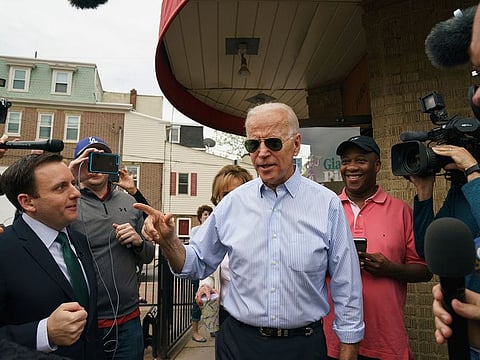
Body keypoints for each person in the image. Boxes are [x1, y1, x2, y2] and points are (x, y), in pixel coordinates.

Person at [135, 102, 365, 360]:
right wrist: (169, 241)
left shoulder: (327, 205)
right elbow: (195, 263)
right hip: (239, 344)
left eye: (273, 143)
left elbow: (347, 284)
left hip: (303, 346)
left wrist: (349, 347)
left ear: (296, 144)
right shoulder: (233, 203)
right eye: (253, 145)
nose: (262, 153)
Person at [323, 135, 432, 360]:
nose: (351, 167)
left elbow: (424, 270)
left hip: (386, 341)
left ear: (377, 166)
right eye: (346, 161)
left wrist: (389, 269)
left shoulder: (401, 211)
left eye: (361, 160)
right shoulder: (326, 209)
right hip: (333, 340)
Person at [0, 153, 102, 359]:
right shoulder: (5, 251)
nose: (76, 193)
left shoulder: (79, 240)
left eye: (73, 184)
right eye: (60, 187)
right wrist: (43, 333)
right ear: (27, 202)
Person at [68, 136, 155, 360]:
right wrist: (68, 178)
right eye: (89, 159)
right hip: (83, 323)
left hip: (129, 321)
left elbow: (149, 255)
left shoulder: (130, 202)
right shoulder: (67, 202)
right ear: (77, 165)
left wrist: (138, 242)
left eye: (102, 158)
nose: (95, 165)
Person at [195, 165, 253, 334]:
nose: (232, 199)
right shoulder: (214, 231)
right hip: (226, 316)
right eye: (226, 195)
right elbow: (206, 268)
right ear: (218, 199)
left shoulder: (261, 228)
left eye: (239, 192)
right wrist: (205, 286)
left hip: (258, 321)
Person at [189, 204, 213, 342]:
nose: (207, 217)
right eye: (205, 214)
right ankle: (195, 331)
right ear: (200, 217)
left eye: (209, 214)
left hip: (211, 270)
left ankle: (212, 326)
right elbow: (195, 247)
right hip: (199, 271)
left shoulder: (214, 229)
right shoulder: (195, 230)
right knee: (198, 301)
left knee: (213, 299)